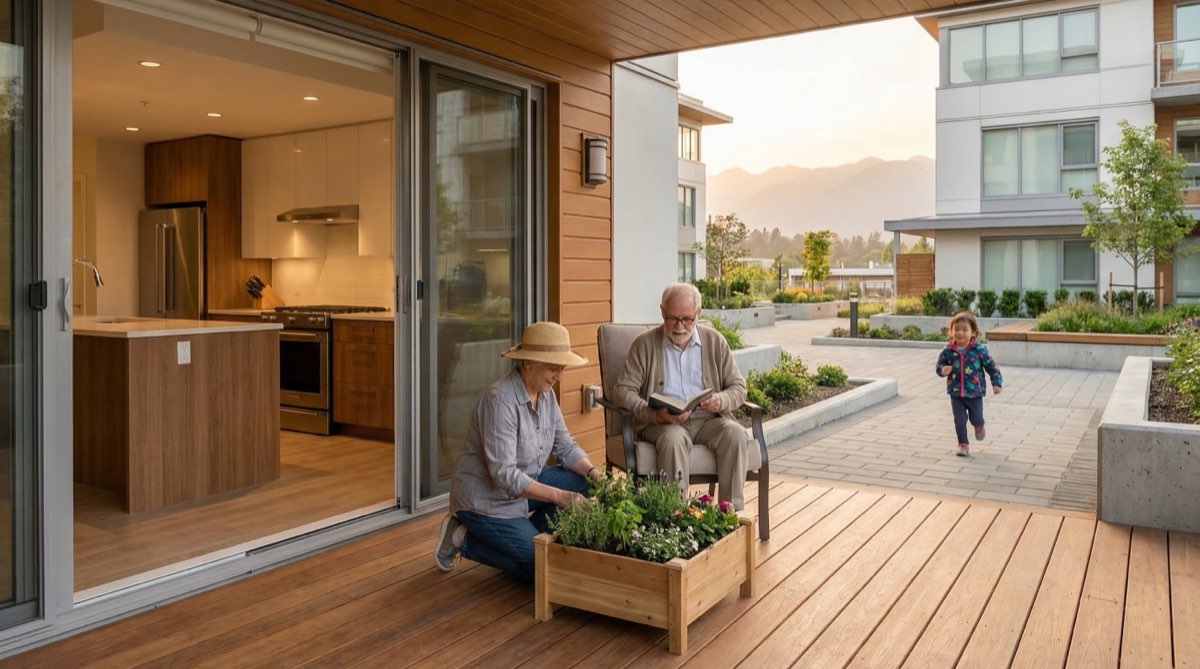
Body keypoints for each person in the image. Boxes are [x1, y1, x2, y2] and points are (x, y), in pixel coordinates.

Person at [433, 321, 603, 581]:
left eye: (562, 367)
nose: (559, 374)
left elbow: (565, 446)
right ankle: (460, 536)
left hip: (526, 484)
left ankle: (519, 537)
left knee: (588, 485)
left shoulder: (547, 395)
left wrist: (595, 474)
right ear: (528, 362)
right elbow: (503, 475)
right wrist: (559, 496)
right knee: (542, 567)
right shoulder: (499, 401)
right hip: (487, 500)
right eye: (553, 367)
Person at [612, 283, 749, 509]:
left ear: (699, 313)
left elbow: (738, 387)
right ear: (662, 312)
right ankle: (676, 515)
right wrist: (653, 414)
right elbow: (623, 391)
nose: (679, 326)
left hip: (708, 421)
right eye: (672, 318)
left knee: (736, 434)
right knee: (673, 440)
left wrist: (720, 401)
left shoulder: (715, 341)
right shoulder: (644, 344)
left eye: (687, 319)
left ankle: (729, 513)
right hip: (662, 423)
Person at [936, 310, 1003, 457]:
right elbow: (939, 365)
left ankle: (979, 426)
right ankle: (963, 444)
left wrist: (996, 383)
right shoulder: (948, 350)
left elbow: (991, 366)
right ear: (951, 331)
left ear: (973, 332)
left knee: (976, 418)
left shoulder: (979, 350)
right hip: (956, 393)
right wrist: (942, 370)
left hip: (974, 393)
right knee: (959, 421)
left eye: (965, 329)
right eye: (957, 329)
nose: (960, 333)